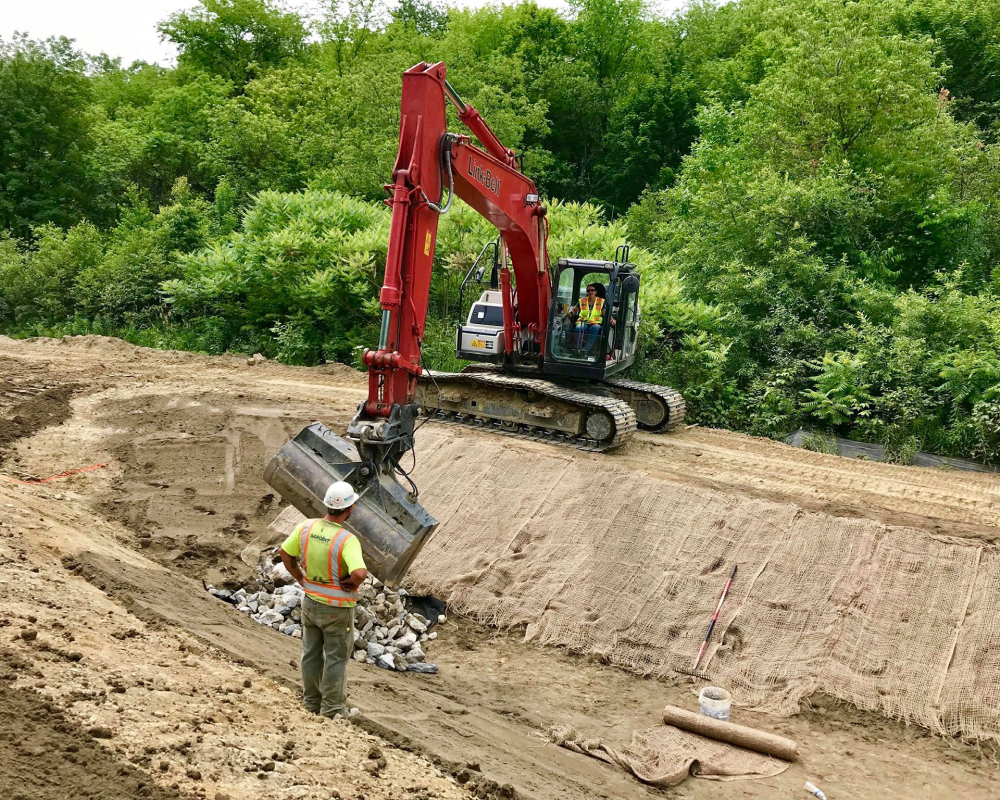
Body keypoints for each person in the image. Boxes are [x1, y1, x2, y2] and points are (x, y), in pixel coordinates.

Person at [280, 480, 368, 719]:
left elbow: (285, 553)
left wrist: (299, 576)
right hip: (337, 609)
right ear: (349, 509)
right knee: (336, 659)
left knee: (310, 654)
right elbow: (360, 573)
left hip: (310, 603)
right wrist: (352, 582)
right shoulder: (347, 540)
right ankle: (332, 709)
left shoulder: (306, 528)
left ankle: (311, 703)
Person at [570, 283, 614, 353]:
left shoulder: (601, 301)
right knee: (578, 328)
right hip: (583, 323)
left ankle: (585, 349)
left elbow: (606, 313)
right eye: (588, 290)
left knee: (596, 328)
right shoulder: (582, 301)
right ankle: (578, 348)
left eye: (592, 290)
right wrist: (570, 313)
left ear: (595, 292)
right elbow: (574, 310)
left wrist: (612, 319)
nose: (590, 292)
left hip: (595, 323)